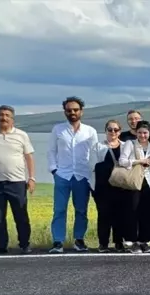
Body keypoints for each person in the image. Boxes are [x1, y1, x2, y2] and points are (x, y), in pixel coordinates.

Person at [0, 105, 36, 255]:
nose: (4, 117)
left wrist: (32, 178)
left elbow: (29, 157)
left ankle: (24, 245)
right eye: (1, 115)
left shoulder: (21, 135)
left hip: (17, 182)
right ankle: (1, 246)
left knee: (21, 215)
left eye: (7, 115)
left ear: (12, 118)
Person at [47, 96, 98, 253]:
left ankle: (79, 240)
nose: (72, 112)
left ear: (81, 111)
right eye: (69, 110)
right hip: (62, 175)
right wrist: (54, 170)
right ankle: (58, 242)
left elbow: (95, 153)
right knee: (59, 210)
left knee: (81, 210)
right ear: (65, 112)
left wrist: (92, 173)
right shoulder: (58, 129)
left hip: (82, 176)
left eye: (75, 110)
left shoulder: (90, 131)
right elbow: (51, 151)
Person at [118, 120, 150, 253]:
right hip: (134, 181)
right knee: (133, 211)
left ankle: (144, 241)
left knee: (147, 213)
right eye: (140, 132)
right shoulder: (130, 144)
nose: (142, 135)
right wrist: (140, 161)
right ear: (136, 133)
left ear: (149, 133)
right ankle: (133, 241)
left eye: (145, 133)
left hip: (149, 182)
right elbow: (122, 161)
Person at [89, 120, 126, 253]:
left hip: (121, 187)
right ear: (105, 131)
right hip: (102, 188)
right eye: (110, 129)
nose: (113, 132)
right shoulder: (97, 146)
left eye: (115, 130)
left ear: (119, 132)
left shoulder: (126, 146)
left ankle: (118, 242)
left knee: (120, 216)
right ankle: (103, 243)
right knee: (104, 215)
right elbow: (93, 166)